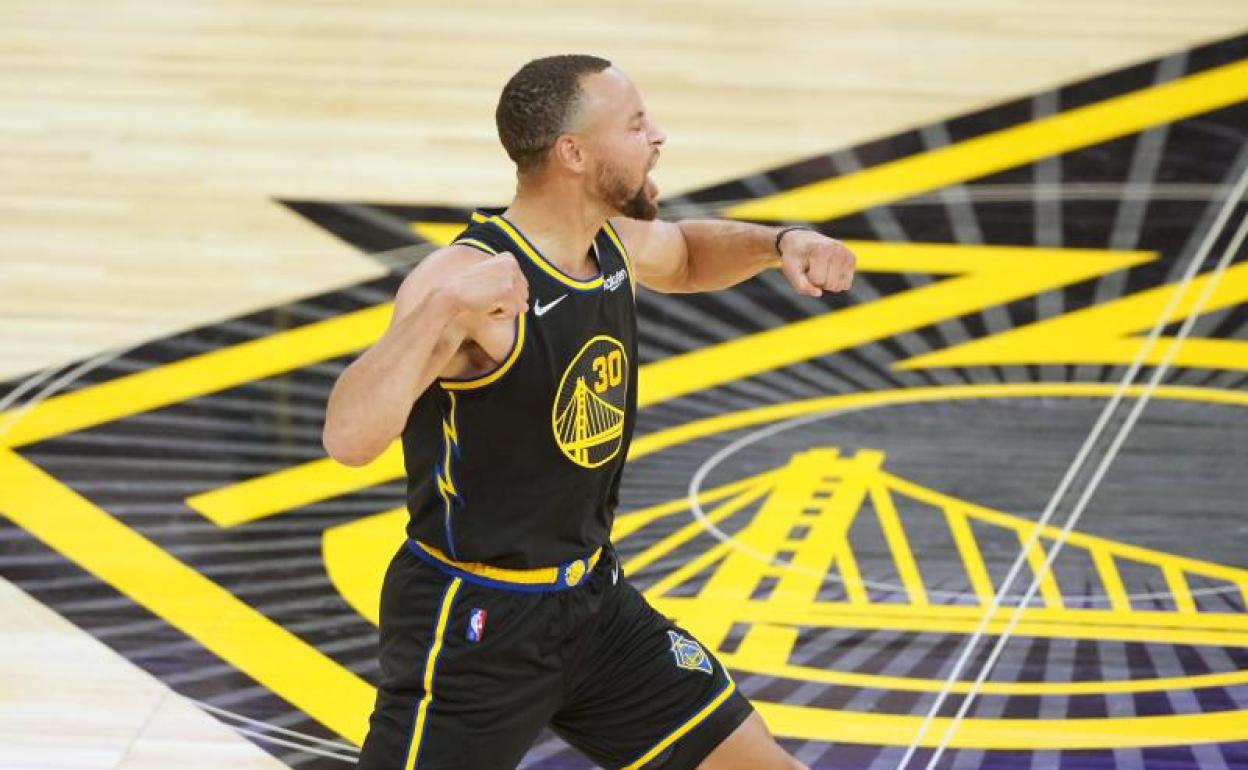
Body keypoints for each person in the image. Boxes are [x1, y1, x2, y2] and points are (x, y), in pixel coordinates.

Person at [323, 54, 855, 770]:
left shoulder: (611, 241)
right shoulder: (465, 282)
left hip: (593, 606)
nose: (657, 136)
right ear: (573, 153)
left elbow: (690, 256)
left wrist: (782, 243)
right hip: (477, 628)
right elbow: (350, 437)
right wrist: (437, 316)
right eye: (636, 124)